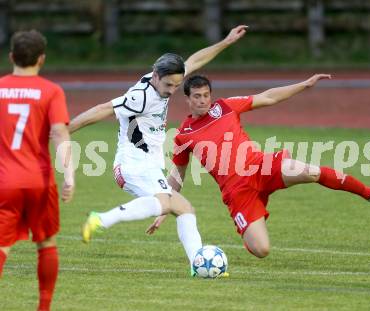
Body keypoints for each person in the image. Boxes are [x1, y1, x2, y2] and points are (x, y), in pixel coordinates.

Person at [146, 74, 370, 259]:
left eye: (206, 95)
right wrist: (164, 207)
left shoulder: (225, 107)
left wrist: (304, 85)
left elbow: (267, 97)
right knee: (262, 250)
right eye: (197, 97)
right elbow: (177, 176)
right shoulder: (183, 135)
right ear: (187, 99)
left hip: (261, 167)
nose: (203, 100)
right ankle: (248, 231)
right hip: (237, 191)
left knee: (310, 171)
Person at [68, 26, 248, 270]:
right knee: (166, 203)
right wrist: (64, 130)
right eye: (168, 86)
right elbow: (102, 109)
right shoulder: (140, 96)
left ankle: (198, 264)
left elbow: (196, 60)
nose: (172, 91)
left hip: (148, 165)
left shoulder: (166, 77)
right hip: (132, 165)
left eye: (176, 85)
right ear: (155, 75)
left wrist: (226, 42)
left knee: (185, 209)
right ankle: (101, 219)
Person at [0, 30, 74, 311]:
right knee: (46, 243)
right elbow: (59, 133)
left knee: (1, 245)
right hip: (38, 181)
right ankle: (44, 307)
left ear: (11, 57)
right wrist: (69, 176)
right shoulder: (51, 91)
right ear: (42, 59)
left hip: (4, 181)